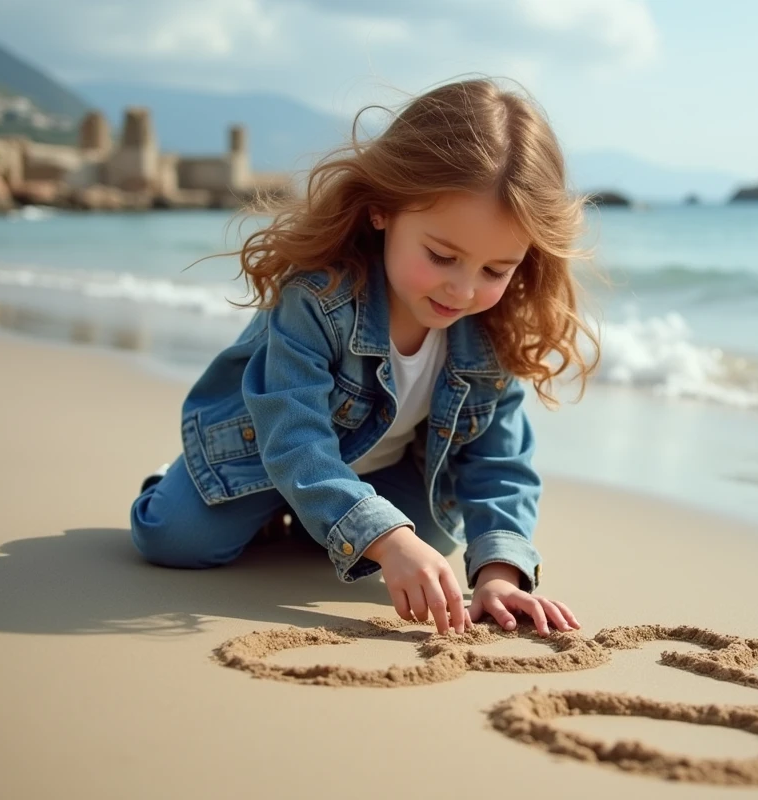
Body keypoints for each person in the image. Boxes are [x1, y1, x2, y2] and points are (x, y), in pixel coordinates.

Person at [129, 78, 599, 638]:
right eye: (443, 255)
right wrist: (386, 540)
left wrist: (500, 576)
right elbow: (293, 439)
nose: (464, 290)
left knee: (435, 535)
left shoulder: (489, 334)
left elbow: (499, 466)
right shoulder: (318, 301)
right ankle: (177, 479)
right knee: (175, 540)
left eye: (496, 270)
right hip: (266, 450)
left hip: (384, 472)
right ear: (383, 209)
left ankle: (324, 521)